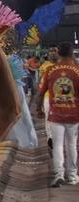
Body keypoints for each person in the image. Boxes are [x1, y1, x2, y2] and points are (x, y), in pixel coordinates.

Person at [34, 42, 79, 187]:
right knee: (71, 144)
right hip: (74, 114)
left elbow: (40, 93)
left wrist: (38, 110)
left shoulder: (51, 70)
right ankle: (72, 176)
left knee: (58, 144)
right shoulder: (77, 70)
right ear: (72, 54)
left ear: (58, 53)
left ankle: (59, 174)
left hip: (55, 114)